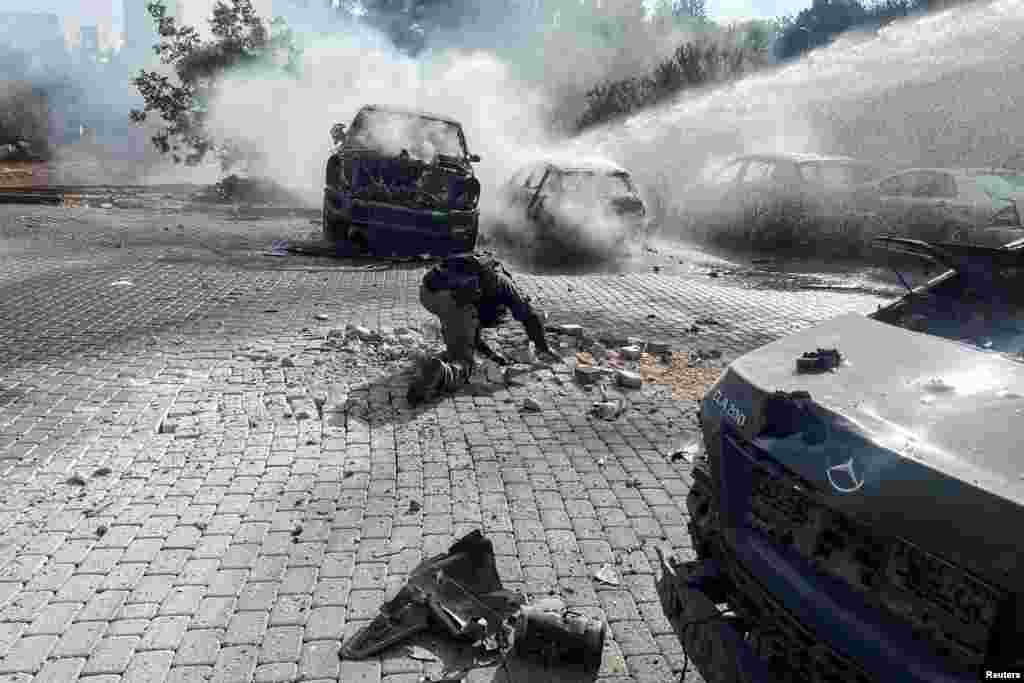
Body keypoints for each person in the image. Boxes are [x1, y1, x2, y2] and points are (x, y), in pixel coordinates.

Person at [408, 252, 558, 405]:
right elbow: (530, 317)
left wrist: (490, 355)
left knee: (462, 327)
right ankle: (442, 373)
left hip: (426, 292)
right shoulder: (506, 287)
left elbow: (474, 332)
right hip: (452, 301)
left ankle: (447, 351)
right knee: (464, 362)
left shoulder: (481, 276)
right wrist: (543, 347)